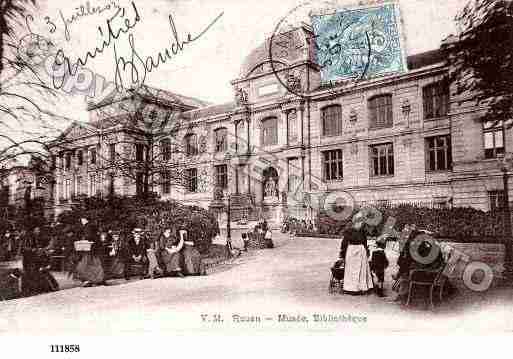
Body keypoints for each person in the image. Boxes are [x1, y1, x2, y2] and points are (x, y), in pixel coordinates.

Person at [339, 212, 374, 295]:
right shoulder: (349, 231)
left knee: (361, 270)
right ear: (355, 222)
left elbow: (365, 242)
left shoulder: (362, 231)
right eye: (359, 222)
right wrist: (342, 254)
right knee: (351, 270)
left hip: (361, 251)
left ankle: (361, 288)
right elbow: (344, 243)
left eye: (362, 222)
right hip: (351, 251)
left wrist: (366, 251)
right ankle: (350, 288)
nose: (361, 224)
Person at [74, 217, 106, 287]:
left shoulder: (88, 226)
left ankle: (91, 280)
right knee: (93, 264)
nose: (81, 221)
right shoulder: (90, 225)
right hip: (93, 248)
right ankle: (95, 280)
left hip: (91, 248)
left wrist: (83, 240)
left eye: (82, 219)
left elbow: (89, 236)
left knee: (87, 264)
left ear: (85, 219)